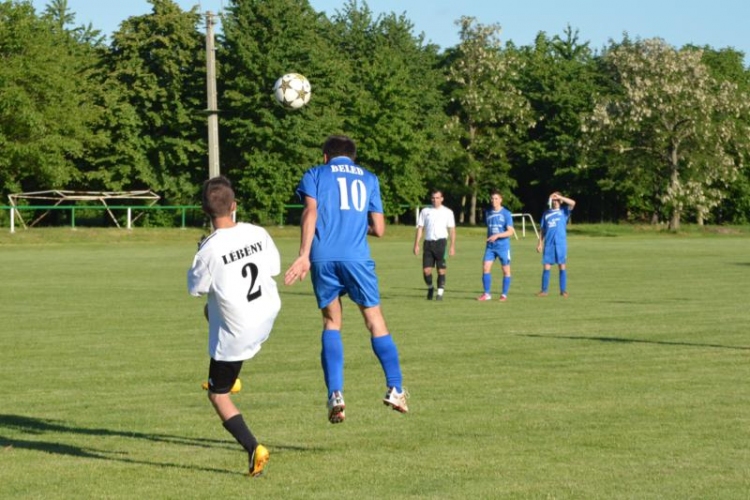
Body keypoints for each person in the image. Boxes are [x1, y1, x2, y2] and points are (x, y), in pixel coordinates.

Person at [284, 134, 408, 424]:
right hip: (356, 257)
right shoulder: (369, 178)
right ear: (352, 156)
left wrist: (304, 254)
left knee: (331, 322)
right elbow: (378, 228)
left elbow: (310, 211)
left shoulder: (315, 173)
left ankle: (336, 393)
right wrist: (353, 226)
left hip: (322, 256)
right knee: (374, 319)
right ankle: (395, 388)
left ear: (326, 156)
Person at [187, 175, 281, 477]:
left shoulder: (209, 249)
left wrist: (205, 254)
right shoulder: (257, 231)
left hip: (239, 331)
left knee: (217, 395)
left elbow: (196, 288)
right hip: (267, 313)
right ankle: (230, 375)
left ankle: (254, 448)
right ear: (235, 206)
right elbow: (274, 268)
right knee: (212, 311)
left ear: (205, 211)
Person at [413, 189, 456, 301]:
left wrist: (452, 246)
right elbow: (420, 228)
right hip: (428, 243)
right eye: (433, 198)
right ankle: (430, 288)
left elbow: (452, 230)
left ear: (442, 199)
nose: (435, 200)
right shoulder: (425, 211)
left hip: (441, 243)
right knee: (426, 270)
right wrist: (416, 244)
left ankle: (440, 293)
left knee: (441, 270)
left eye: (437, 198)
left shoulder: (448, 212)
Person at [477, 190, 515, 302]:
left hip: (503, 246)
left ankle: (504, 294)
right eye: (492, 198)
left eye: (496, 198)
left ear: (501, 200)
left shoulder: (506, 213)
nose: (494, 201)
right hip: (490, 246)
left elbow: (510, 232)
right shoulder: (488, 212)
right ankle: (487, 294)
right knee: (485, 268)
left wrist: (497, 235)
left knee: (506, 270)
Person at [536, 191, 576, 297]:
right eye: (553, 200)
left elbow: (573, 203)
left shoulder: (564, 211)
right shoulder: (546, 213)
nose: (555, 202)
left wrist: (560, 196)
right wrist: (540, 243)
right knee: (546, 266)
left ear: (560, 201)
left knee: (562, 266)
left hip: (561, 243)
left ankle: (563, 291)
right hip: (549, 243)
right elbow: (542, 230)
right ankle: (544, 291)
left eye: (557, 200)